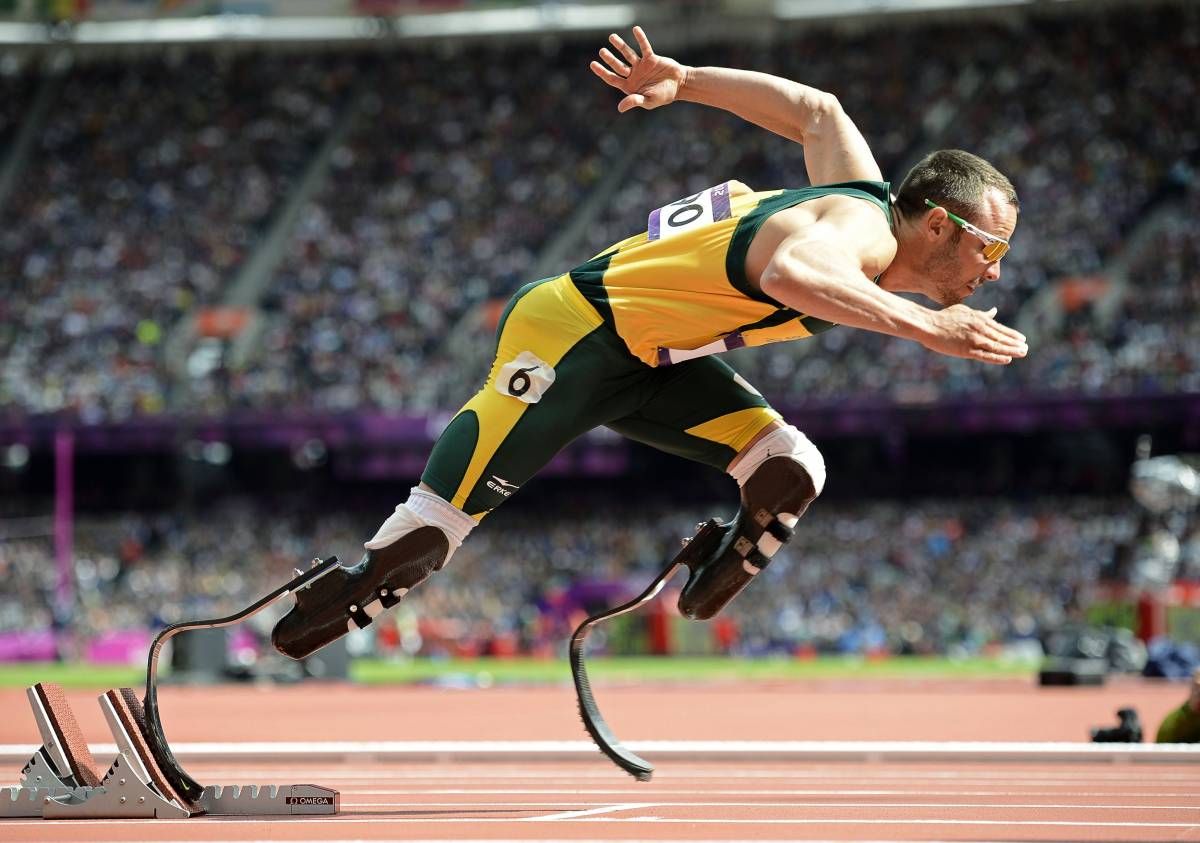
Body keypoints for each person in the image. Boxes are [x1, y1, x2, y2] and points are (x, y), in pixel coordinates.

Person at [271, 26, 1027, 659]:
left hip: (653, 359)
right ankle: (343, 591)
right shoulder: (862, 231)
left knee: (789, 465)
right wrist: (928, 327)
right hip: (576, 332)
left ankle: (715, 564)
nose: (993, 270)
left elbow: (817, 111)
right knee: (435, 527)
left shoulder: (861, 196)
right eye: (989, 247)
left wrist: (689, 80)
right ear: (937, 224)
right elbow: (794, 271)